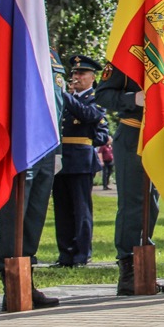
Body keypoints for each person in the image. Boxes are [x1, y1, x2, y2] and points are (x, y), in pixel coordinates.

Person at [0, 49, 68, 309]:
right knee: (14, 214)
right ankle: (10, 281)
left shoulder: (52, 56)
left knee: (34, 215)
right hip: (18, 144)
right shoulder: (7, 47)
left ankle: (27, 279)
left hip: (46, 147)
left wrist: (57, 150)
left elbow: (57, 104)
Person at [96, 60, 164, 295]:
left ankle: (144, 270)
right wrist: (132, 99)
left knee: (152, 204)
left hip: (158, 134)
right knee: (132, 204)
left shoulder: (163, 55)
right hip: (132, 133)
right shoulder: (123, 56)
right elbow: (103, 95)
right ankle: (128, 271)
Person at [51, 55, 106, 267]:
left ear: (92, 77)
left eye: (82, 73)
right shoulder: (65, 99)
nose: (76, 77)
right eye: (74, 73)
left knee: (81, 209)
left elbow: (89, 115)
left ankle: (82, 254)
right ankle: (65, 254)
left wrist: (64, 94)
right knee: (62, 209)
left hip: (81, 160)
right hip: (60, 157)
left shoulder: (96, 97)